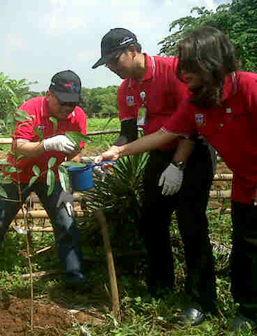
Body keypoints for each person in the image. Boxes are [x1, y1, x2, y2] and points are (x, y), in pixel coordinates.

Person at [97, 26, 257, 331]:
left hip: (199, 156)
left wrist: (180, 164)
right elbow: (165, 132)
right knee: (159, 221)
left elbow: (190, 134)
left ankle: (219, 302)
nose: (183, 74)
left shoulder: (243, 87)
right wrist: (116, 153)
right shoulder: (189, 98)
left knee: (196, 224)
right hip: (227, 173)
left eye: (113, 60)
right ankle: (171, 288)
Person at [0, 70, 87, 288]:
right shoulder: (31, 109)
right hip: (18, 173)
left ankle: (74, 276)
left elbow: (76, 152)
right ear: (49, 94)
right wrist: (47, 144)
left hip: (52, 176)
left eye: (72, 104)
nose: (67, 109)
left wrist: (71, 178)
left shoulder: (78, 116)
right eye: (62, 103)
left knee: (66, 222)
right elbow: (18, 147)